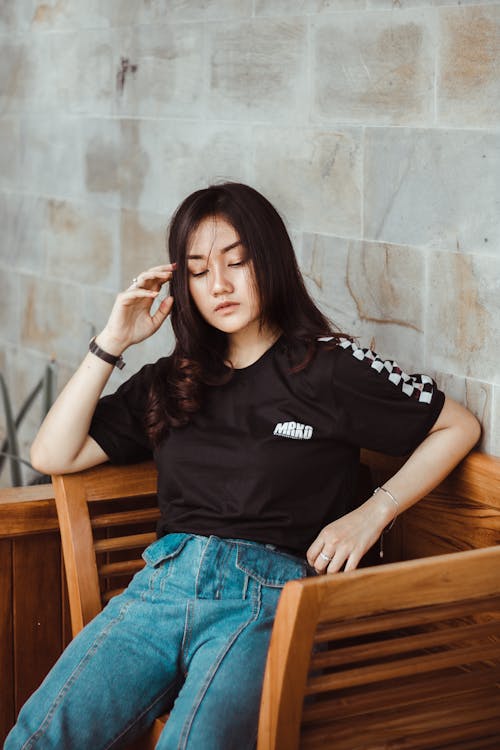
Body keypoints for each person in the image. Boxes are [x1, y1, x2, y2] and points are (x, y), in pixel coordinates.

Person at [6, 182, 480, 750]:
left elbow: (458, 425)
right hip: (158, 591)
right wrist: (113, 340)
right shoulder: (172, 379)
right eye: (200, 271)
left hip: (270, 602)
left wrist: (374, 510)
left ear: (270, 261)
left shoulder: (325, 366)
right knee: (38, 739)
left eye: (237, 262)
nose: (220, 285)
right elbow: (51, 454)